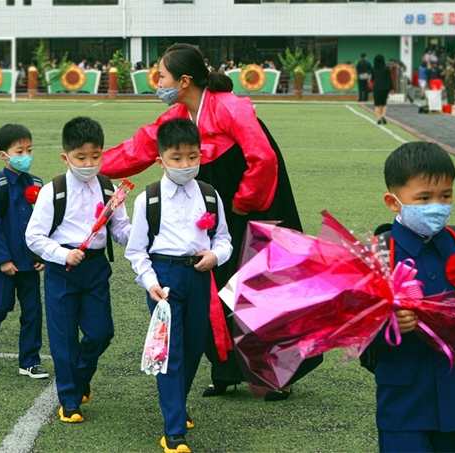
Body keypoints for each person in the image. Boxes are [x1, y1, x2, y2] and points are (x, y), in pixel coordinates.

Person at [99, 43, 321, 402]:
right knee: (214, 289)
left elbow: (262, 159)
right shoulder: (177, 119)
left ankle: (282, 374)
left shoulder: (231, 107)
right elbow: (140, 148)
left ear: (184, 81)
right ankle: (227, 370)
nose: (158, 82)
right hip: (213, 208)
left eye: (163, 76)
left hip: (256, 205)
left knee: (261, 286)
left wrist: (243, 202)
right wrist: (94, 166)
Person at [125, 118, 232, 453]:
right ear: (161, 161)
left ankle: (178, 405)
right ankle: (173, 430)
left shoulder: (210, 195)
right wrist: (150, 281)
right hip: (165, 280)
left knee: (194, 346)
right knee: (169, 351)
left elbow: (224, 238)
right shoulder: (149, 200)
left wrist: (216, 256)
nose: (186, 165)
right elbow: (136, 250)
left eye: (192, 157)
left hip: (200, 276)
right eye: (176, 158)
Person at [26, 117, 131, 423]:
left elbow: (121, 229)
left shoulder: (109, 187)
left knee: (101, 332)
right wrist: (61, 254)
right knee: (65, 339)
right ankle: (69, 399)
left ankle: (81, 377)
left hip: (96, 267)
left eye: (95, 156)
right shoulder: (53, 191)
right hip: (63, 270)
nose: (89, 163)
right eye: (80, 157)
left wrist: (146, 237)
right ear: (65, 157)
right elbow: (33, 236)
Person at [370, 142, 455, 453]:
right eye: (424, 198)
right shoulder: (377, 253)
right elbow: (351, 327)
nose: (437, 205)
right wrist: (389, 326)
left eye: (445, 196)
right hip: (404, 405)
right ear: (393, 201)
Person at [0, 124, 48, 378]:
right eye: (20, 151)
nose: (26, 155)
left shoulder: (37, 182)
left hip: (29, 261)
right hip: (4, 262)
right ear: (4, 155)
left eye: (29, 149)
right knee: (1, 306)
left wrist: (41, 255)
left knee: (33, 310)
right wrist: (3, 259)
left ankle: (29, 360)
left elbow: (44, 222)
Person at [370, 54, 394, 125]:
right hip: (385, 87)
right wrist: (391, 88)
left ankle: (379, 118)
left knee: (377, 104)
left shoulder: (373, 69)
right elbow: (389, 79)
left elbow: (372, 78)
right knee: (384, 104)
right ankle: (383, 115)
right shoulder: (386, 69)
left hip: (376, 87)